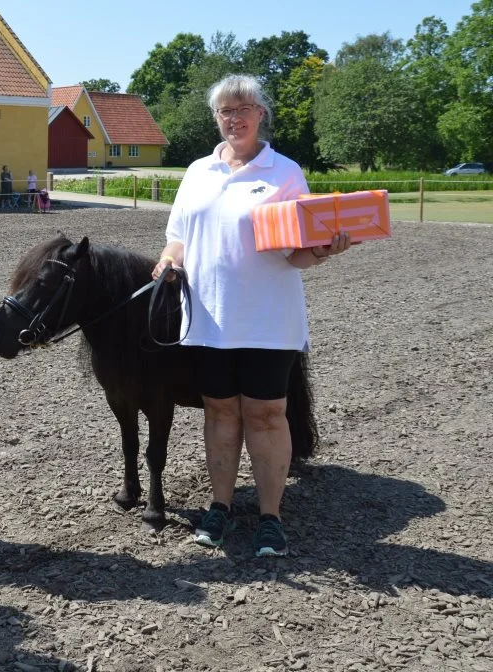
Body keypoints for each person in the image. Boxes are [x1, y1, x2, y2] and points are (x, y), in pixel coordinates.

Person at [153, 74, 352, 558]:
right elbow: (177, 236)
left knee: (265, 416)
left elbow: (295, 255)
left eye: (244, 108)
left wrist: (324, 252)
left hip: (267, 320)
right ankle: (220, 507)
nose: (234, 118)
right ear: (216, 117)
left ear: (261, 113)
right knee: (220, 414)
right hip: (207, 318)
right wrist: (169, 261)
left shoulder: (284, 172)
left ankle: (270, 517)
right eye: (225, 110)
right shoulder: (198, 171)